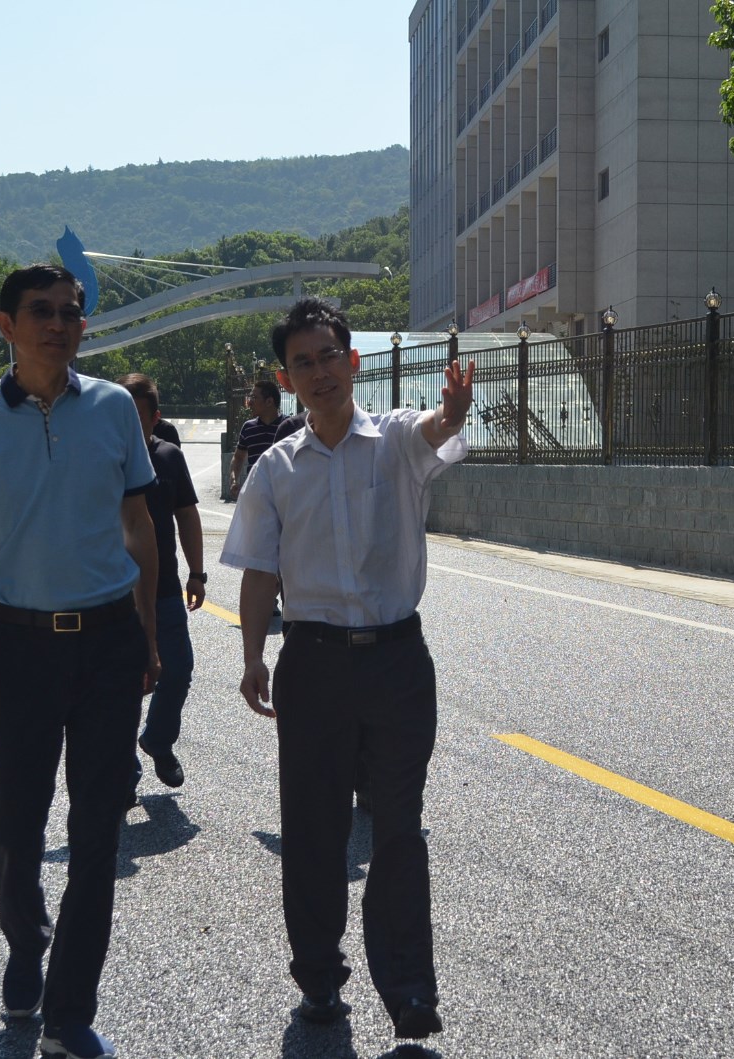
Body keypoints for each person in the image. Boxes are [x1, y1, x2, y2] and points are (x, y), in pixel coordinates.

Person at [221, 297, 474, 1042]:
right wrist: (252, 655)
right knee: (313, 829)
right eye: (303, 362)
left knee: (398, 827)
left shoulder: (395, 440)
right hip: (314, 664)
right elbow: (260, 571)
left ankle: (409, 989)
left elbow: (436, 430)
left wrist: (453, 413)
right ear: (286, 378)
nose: (320, 371)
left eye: (329, 355)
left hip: (397, 662)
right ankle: (320, 979)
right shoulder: (275, 469)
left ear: (353, 361)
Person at [0, 264, 161, 1059]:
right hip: (18, 645)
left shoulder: (115, 406)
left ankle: (68, 1012)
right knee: (14, 831)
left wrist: (148, 632)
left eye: (70, 312)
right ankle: (26, 941)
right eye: (41, 312)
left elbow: (138, 522)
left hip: (108, 641)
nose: (59, 324)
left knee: (97, 832)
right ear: (7, 325)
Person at [118, 373, 204, 797]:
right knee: (121, 685)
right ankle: (123, 775)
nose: (129, 425)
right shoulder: (99, 458)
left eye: (138, 416)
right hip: (112, 595)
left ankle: (158, 739)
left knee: (178, 670)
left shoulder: (169, 457)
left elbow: (186, 515)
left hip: (164, 590)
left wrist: (197, 572)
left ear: (155, 418)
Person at [227, 379, 285, 499]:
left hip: (283, 494)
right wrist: (233, 480)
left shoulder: (289, 427)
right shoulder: (248, 427)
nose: (249, 402)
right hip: (255, 494)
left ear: (269, 401)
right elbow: (238, 457)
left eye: (254, 397)